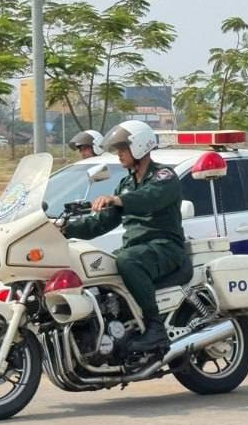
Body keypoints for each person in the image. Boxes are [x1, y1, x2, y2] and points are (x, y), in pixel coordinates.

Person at [63, 120, 184, 353]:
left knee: (127, 261)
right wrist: (64, 229)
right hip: (137, 248)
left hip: (165, 246)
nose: (119, 154)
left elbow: (150, 198)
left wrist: (117, 200)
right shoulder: (126, 183)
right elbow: (102, 222)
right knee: (98, 265)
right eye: (118, 149)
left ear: (139, 146)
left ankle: (155, 328)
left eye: (122, 149)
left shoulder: (164, 176)